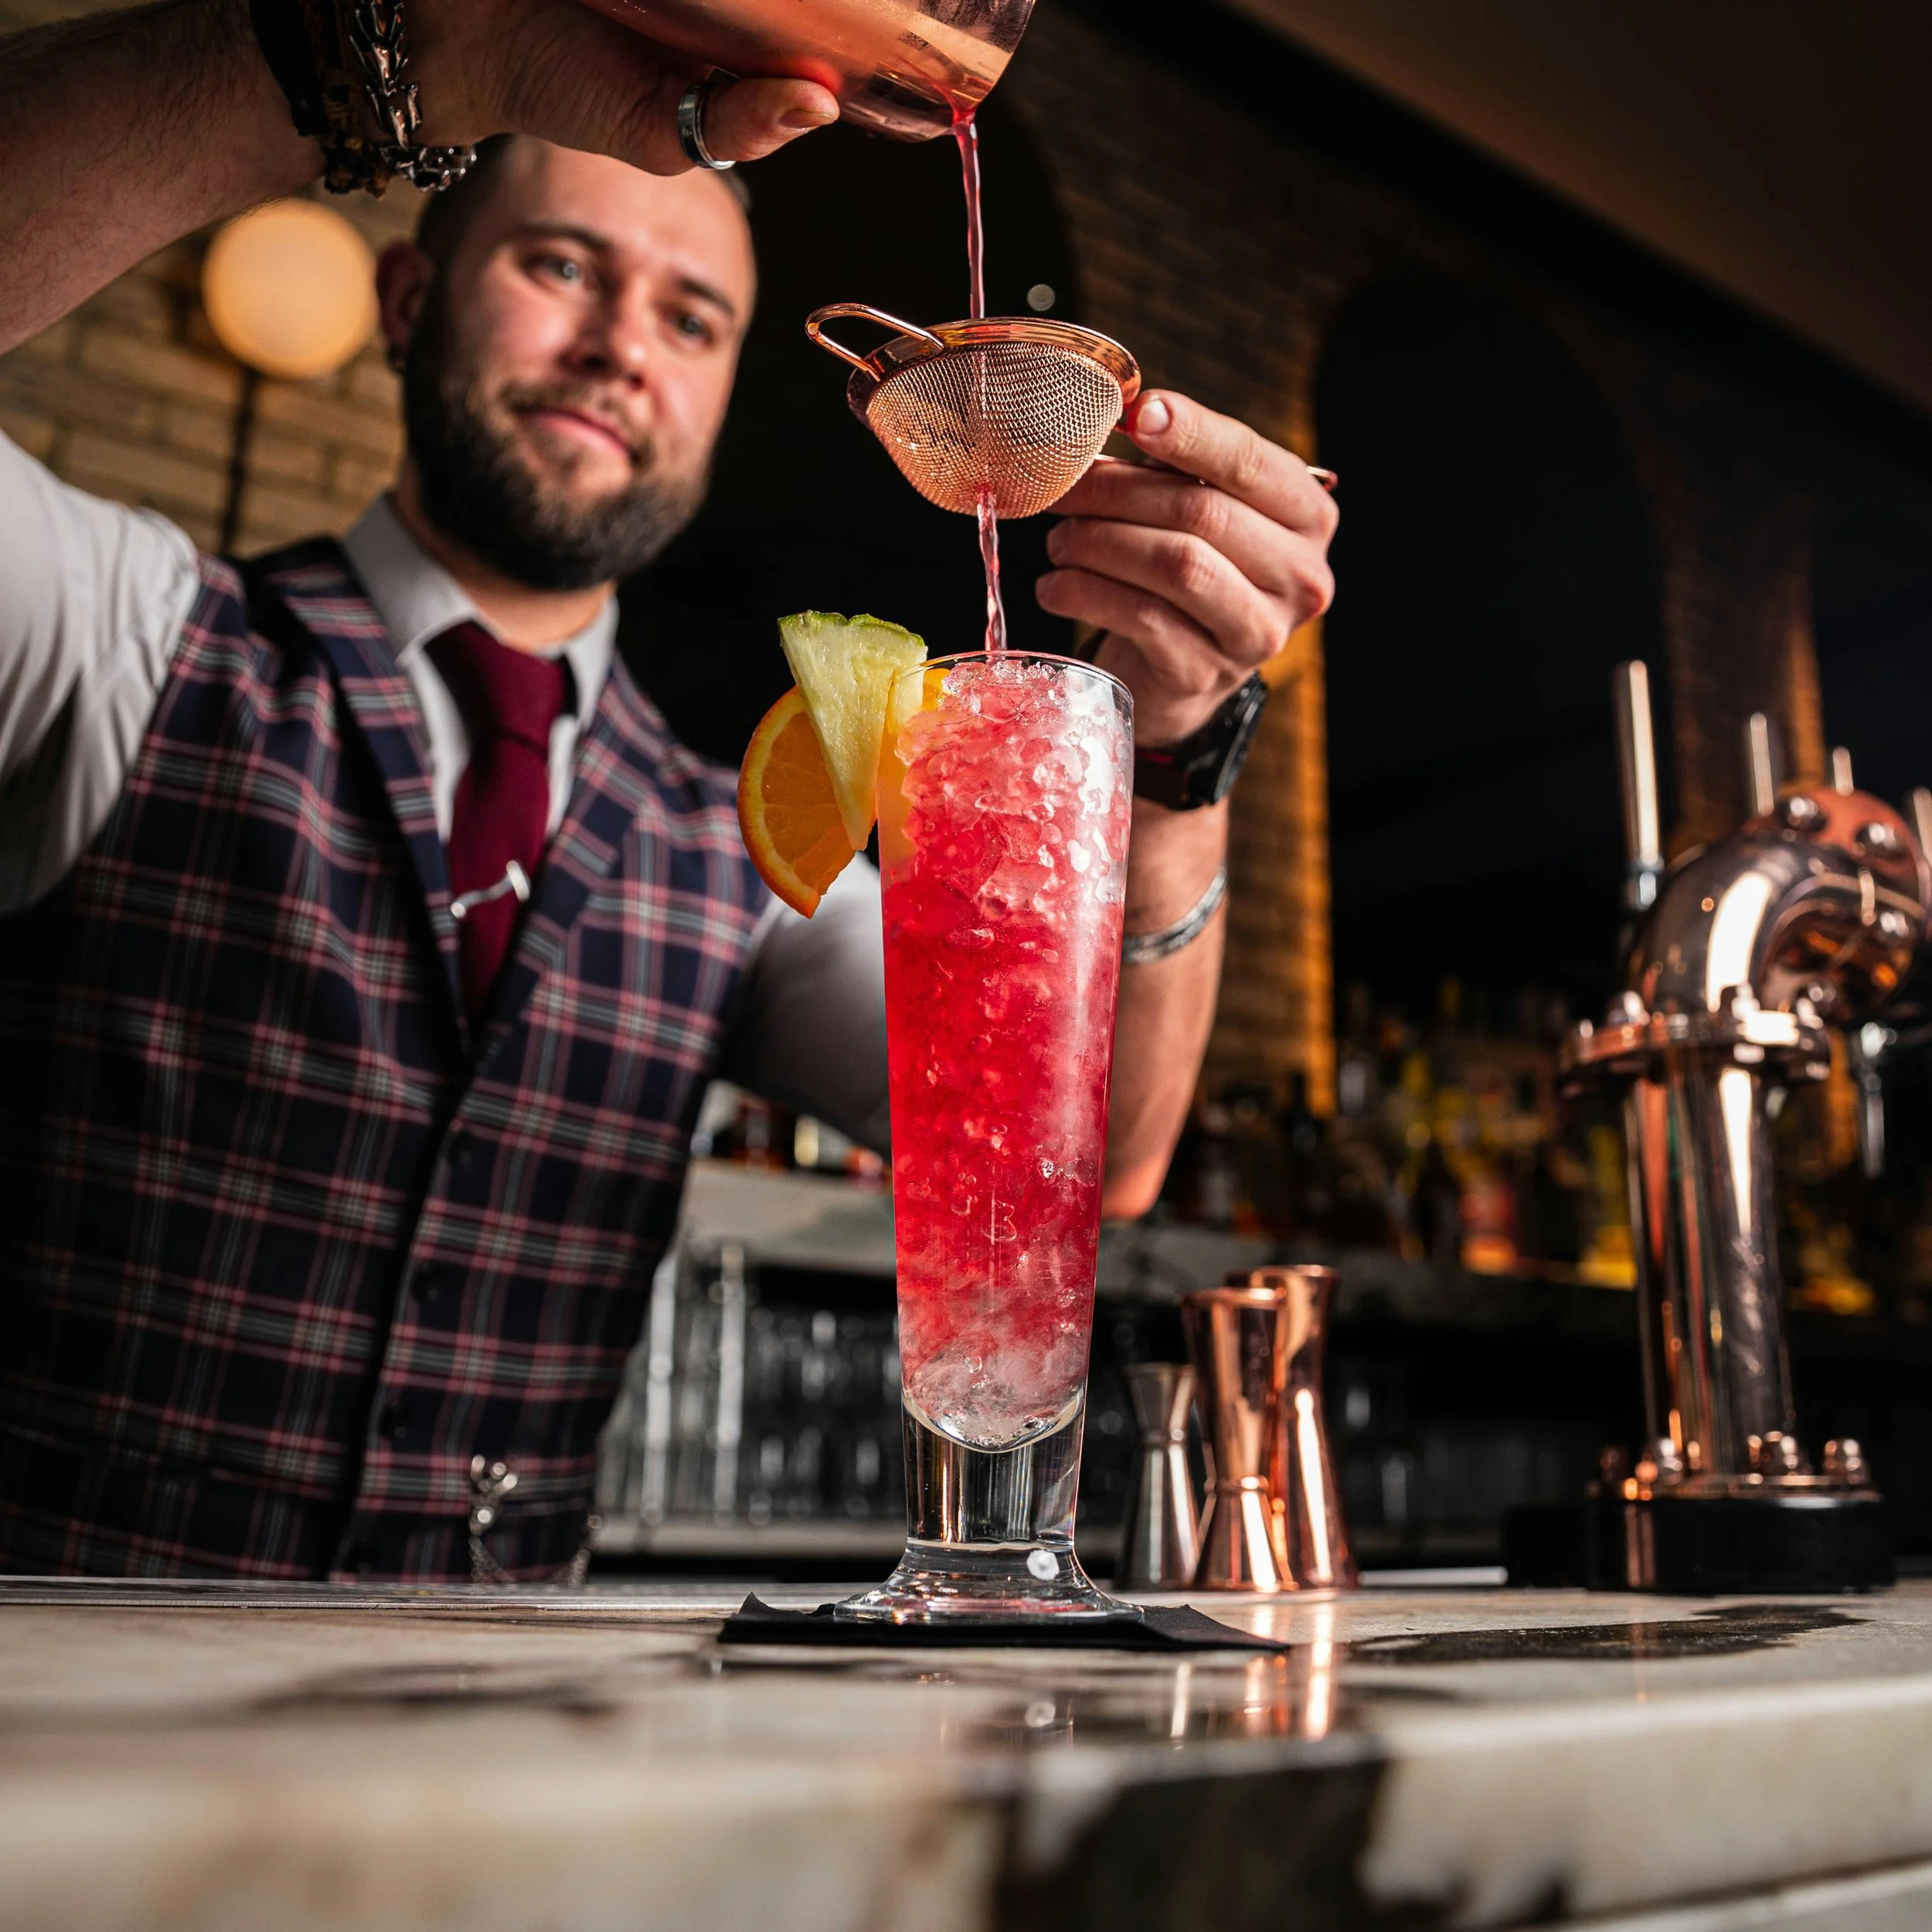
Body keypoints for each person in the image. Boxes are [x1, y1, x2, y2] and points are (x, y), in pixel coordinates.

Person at [0, 0, 1339, 1580]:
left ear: (719, 402)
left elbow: (1095, 1152)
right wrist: (435, 37)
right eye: (561, 264)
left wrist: (1178, 754)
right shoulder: (113, 631)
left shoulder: (731, 854)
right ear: (409, 296)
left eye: (692, 317)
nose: (621, 344)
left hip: (514, 1773)